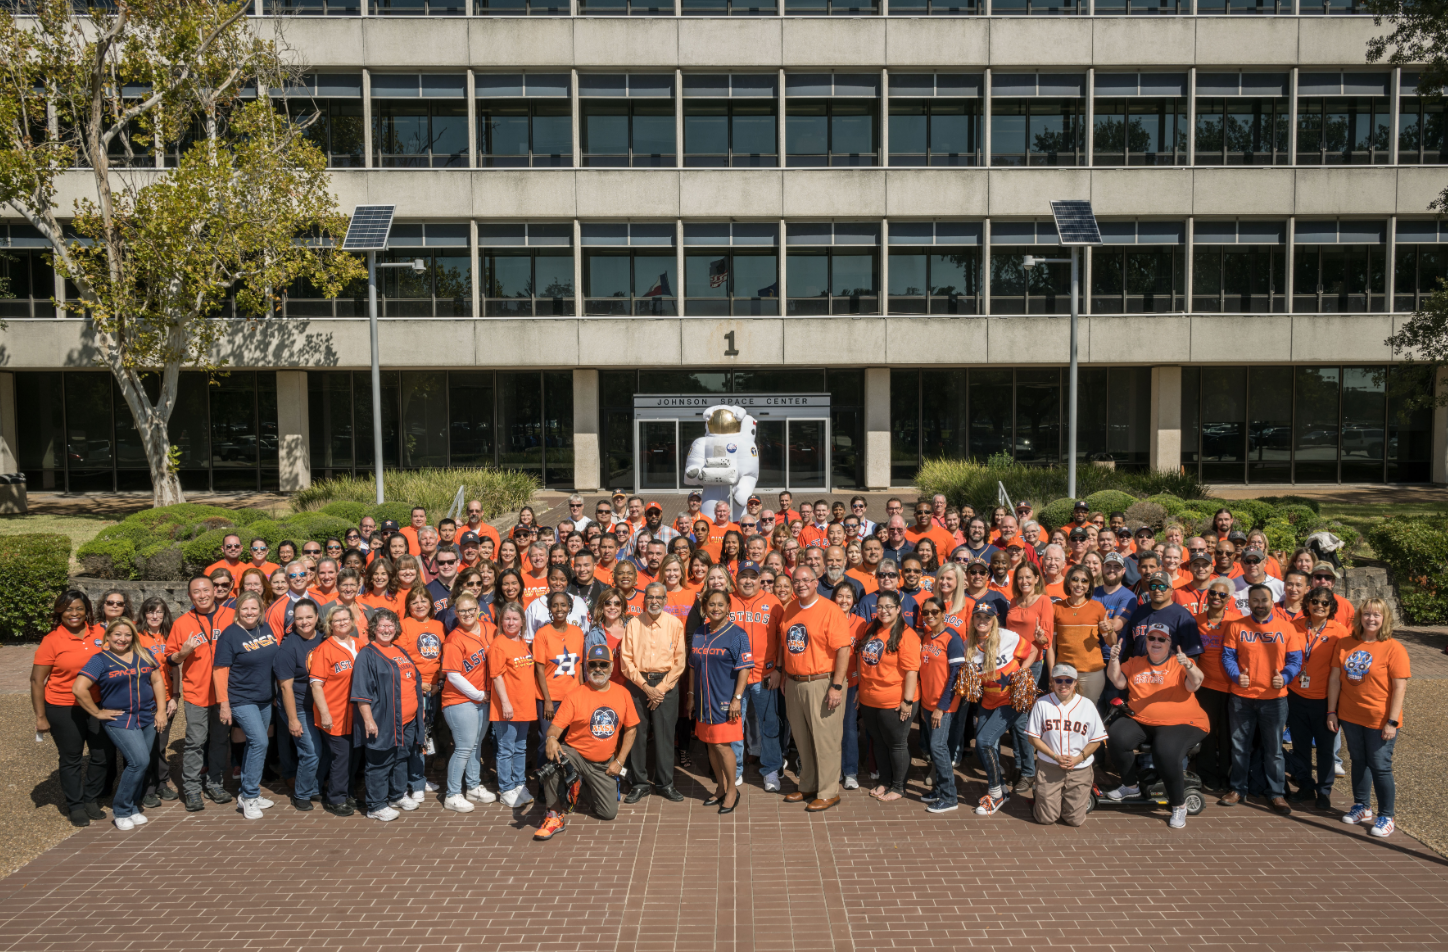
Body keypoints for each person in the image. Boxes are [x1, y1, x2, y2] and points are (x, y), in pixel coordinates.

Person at [533, 643, 641, 840]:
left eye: (603, 664)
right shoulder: (575, 695)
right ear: (586, 668)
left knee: (608, 813)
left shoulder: (623, 693)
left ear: (611, 667)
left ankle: (578, 788)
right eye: (593, 665)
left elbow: (631, 729)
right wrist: (551, 739)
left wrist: (620, 761)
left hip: (604, 763)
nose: (598, 669)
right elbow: (555, 727)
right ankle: (554, 815)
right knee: (554, 762)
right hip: (576, 756)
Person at [1104, 632, 1210, 829]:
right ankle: (1130, 786)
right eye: (1152, 638)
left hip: (1182, 721)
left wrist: (1188, 665)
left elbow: (1195, 684)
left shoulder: (1179, 662)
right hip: (1142, 719)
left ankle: (1179, 804)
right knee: (1117, 736)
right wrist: (1113, 659)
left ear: (1170, 644)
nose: (1156, 642)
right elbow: (1117, 680)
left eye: (1162, 639)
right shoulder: (1136, 662)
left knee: (1165, 751)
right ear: (1146, 642)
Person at [71, 618, 168, 831]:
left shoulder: (144, 654)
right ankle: (121, 810)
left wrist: (161, 710)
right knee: (139, 761)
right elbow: (79, 688)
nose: (122, 639)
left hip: (147, 717)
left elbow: (157, 681)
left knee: (142, 763)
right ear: (108, 636)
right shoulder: (100, 660)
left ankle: (133, 806)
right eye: (117, 634)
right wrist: (96, 712)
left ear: (133, 636)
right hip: (120, 719)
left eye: (127, 635)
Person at [1219, 584, 1303, 815]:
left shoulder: (1286, 628)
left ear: (1272, 601)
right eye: (1254, 600)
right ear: (1249, 601)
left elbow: (1295, 661)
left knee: (1274, 749)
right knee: (1239, 747)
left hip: (1274, 699)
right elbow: (1227, 656)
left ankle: (1276, 794)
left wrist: (1285, 677)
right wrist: (1236, 676)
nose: (1259, 604)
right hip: (1242, 698)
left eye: (1264, 600)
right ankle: (1238, 788)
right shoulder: (1237, 626)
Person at [1329, 597, 1410, 837]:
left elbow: (1400, 688)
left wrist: (1392, 722)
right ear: (1359, 617)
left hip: (1380, 720)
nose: (1371, 619)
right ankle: (1362, 806)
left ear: (1384, 618)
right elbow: (1335, 679)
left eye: (1376, 615)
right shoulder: (1345, 643)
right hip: (1351, 716)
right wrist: (1331, 711)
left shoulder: (1394, 648)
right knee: (1358, 761)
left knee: (1380, 766)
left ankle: (1387, 815)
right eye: (1367, 614)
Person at [778, 566, 854, 812]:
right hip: (794, 682)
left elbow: (843, 649)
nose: (800, 584)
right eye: (796, 580)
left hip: (821, 682)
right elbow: (785, 644)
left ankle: (829, 791)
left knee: (826, 740)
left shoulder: (830, 610)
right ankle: (808, 784)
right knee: (802, 738)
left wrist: (836, 685)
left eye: (806, 580)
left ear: (815, 582)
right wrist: (782, 674)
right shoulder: (790, 608)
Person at [165, 575, 236, 812]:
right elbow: (170, 659)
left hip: (224, 693)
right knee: (195, 742)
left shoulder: (230, 617)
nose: (202, 595)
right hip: (197, 692)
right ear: (189, 596)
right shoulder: (182, 623)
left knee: (219, 740)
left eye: (206, 590)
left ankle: (215, 783)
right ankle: (192, 789)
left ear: (215, 591)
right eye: (197, 592)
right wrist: (183, 653)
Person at [963, 602, 1037, 816]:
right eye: (978, 617)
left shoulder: (1007, 637)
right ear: (973, 620)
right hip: (988, 700)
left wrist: (1022, 673)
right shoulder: (969, 644)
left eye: (987, 617)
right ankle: (1000, 787)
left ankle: (996, 793)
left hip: (1010, 699)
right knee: (984, 746)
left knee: (984, 741)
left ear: (994, 619)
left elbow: (1032, 650)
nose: (982, 621)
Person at [352, 609, 426, 822]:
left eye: (390, 625)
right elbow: (361, 691)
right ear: (373, 628)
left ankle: (396, 795)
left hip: (407, 720)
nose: (386, 629)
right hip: (383, 720)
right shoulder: (368, 654)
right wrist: (368, 720)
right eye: (382, 626)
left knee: (401, 758)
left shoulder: (400, 650)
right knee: (380, 761)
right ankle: (376, 805)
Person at [212, 591, 281, 820]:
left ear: (260, 609)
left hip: (264, 698)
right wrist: (224, 704)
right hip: (241, 699)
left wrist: (274, 691)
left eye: (254, 608)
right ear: (237, 610)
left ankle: (249, 790)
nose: (250, 613)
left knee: (257, 745)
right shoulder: (230, 635)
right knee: (260, 741)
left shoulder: (267, 628)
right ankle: (249, 797)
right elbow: (220, 671)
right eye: (245, 609)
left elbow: (272, 663)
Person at [620, 582, 687, 802]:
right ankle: (640, 783)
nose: (654, 601)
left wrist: (660, 689)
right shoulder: (633, 624)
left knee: (665, 736)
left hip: (665, 684)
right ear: (644, 600)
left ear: (666, 601)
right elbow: (626, 660)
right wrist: (646, 687)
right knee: (637, 735)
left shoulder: (675, 624)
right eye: (650, 597)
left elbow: (679, 662)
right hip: (638, 684)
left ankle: (665, 783)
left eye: (659, 598)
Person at [687, 589, 753, 814]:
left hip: (725, 701)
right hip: (704, 701)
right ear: (705, 607)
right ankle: (721, 787)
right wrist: (691, 696)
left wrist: (737, 698)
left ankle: (732, 791)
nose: (715, 608)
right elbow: (693, 667)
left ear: (728, 607)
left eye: (720, 604)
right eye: (711, 605)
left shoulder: (737, 635)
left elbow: (744, 669)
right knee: (710, 745)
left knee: (723, 747)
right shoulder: (699, 632)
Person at [1286, 585, 1349, 810]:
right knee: (1300, 747)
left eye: (1325, 603)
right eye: (1315, 601)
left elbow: (1343, 669)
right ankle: (1305, 785)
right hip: (1296, 696)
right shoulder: (1294, 627)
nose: (1319, 606)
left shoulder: (1340, 631)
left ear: (1331, 606)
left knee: (1325, 749)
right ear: (1307, 603)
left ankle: (1324, 791)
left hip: (1325, 700)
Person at [855, 592, 921, 804]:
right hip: (869, 698)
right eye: (880, 606)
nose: (883, 611)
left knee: (897, 744)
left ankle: (899, 786)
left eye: (889, 607)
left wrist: (907, 701)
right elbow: (861, 658)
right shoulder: (870, 629)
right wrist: (860, 687)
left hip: (895, 700)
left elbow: (912, 671)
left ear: (898, 609)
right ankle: (885, 780)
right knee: (879, 743)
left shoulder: (907, 635)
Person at [1025, 663, 1106, 827]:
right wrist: (1055, 756)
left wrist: (1079, 758)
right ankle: (1043, 796)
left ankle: (1064, 797)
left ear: (1075, 682)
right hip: (1050, 767)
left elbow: (1097, 739)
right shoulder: (1042, 704)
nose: (1063, 685)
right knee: (1046, 818)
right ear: (1052, 682)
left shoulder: (1087, 705)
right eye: (1059, 680)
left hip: (1080, 768)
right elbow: (1033, 738)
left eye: (1068, 680)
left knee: (1074, 820)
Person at [730, 565, 784, 793]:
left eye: (753, 577)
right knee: (734, 725)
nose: (749, 581)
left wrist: (779, 669)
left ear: (760, 579)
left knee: (769, 724)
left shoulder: (773, 602)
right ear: (736, 579)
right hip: (734, 677)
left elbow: (782, 638)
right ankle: (735, 770)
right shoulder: (727, 600)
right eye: (744, 577)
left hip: (765, 675)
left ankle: (771, 769)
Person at [440, 592, 495, 812]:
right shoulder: (454, 638)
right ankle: (452, 794)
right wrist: (479, 695)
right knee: (463, 747)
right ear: (456, 613)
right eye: (462, 611)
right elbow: (453, 675)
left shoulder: (490, 629)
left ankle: (473, 786)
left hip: (483, 697)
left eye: (471, 609)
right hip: (459, 699)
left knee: (475, 744)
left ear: (478, 609)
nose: (467, 614)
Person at [310, 603, 363, 817]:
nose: (342, 623)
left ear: (352, 621)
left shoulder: (360, 644)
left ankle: (347, 793)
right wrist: (324, 713)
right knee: (340, 757)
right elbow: (316, 685)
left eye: (345, 619)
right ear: (330, 624)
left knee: (354, 757)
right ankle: (335, 798)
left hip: (357, 714)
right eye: (337, 620)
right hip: (334, 712)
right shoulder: (324, 648)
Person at [274, 598, 326, 811]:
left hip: (319, 706)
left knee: (325, 751)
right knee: (310, 751)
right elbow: (285, 688)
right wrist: (293, 720)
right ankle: (301, 794)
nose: (304, 622)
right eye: (299, 618)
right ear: (293, 621)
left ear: (316, 618)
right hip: (297, 706)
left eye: (308, 617)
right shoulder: (288, 647)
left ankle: (313, 787)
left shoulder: (324, 639)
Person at [916, 595, 966, 814]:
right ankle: (939, 790)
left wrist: (941, 706)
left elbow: (956, 676)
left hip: (943, 705)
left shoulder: (952, 638)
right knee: (937, 749)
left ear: (943, 613)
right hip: (928, 703)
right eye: (925, 613)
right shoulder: (927, 637)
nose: (929, 616)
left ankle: (949, 796)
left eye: (934, 612)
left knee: (938, 747)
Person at [488, 602, 538, 809]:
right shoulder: (499, 644)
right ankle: (506, 788)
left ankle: (519, 784)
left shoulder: (522, 642)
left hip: (525, 704)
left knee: (521, 748)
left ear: (522, 622)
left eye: (515, 619)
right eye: (507, 619)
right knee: (506, 749)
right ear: (501, 622)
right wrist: (506, 703)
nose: (510, 622)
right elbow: (497, 676)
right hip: (506, 706)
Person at [1191, 578, 1238, 793]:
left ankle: (1227, 774)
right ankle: (1207, 774)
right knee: (1207, 732)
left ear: (1229, 599)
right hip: (1205, 685)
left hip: (1232, 686)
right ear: (1207, 595)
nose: (1217, 598)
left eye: (1222, 595)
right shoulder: (1195, 620)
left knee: (1229, 734)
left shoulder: (1237, 621)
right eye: (1213, 593)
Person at [535, 591, 587, 761]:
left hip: (572, 697)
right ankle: (544, 783)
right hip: (550, 699)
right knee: (547, 739)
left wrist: (582, 693)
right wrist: (547, 700)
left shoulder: (578, 632)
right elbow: (539, 669)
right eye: (555, 605)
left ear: (569, 608)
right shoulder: (542, 634)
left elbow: (578, 666)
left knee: (570, 741)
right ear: (550, 608)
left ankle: (567, 782)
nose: (559, 609)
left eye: (563, 605)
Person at [1051, 567, 1110, 703]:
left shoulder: (1098, 607)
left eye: (1084, 581)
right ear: (1068, 583)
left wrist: (1110, 630)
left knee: (1088, 712)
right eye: (1075, 579)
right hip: (1064, 672)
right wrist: (1052, 671)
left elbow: (1111, 642)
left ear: (1089, 586)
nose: (1079, 584)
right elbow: (1052, 645)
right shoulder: (1056, 607)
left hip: (1092, 673)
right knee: (1064, 711)